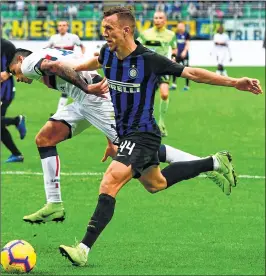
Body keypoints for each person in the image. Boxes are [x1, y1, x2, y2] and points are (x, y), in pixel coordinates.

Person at [56, 6, 261, 267]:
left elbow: (192, 73)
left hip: (143, 134)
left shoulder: (149, 60)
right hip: (126, 134)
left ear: (126, 30)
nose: (104, 32)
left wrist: (234, 82)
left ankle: (83, 248)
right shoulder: (107, 54)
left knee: (109, 182)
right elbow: (85, 64)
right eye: (103, 27)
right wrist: (62, 66)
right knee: (156, 184)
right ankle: (215, 162)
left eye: (109, 28)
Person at [8, 48, 231, 225]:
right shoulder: (44, 51)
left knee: (148, 171)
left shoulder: (28, 64)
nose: (16, 77)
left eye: (13, 71)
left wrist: (86, 89)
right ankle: (54, 204)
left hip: (93, 97)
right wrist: (108, 137)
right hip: (85, 102)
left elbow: (55, 67)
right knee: (44, 139)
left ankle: (210, 163)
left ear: (19, 59)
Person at [137, 11, 177, 137]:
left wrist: (174, 57)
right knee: (147, 97)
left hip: (163, 67)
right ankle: (147, 123)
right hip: (148, 68)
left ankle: (161, 122)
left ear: (165, 20)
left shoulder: (171, 35)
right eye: (155, 18)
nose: (157, 20)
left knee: (164, 94)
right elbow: (136, 46)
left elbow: (174, 48)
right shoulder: (145, 34)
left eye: (160, 18)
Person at [46, 20, 86, 113]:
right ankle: (64, 110)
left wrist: (81, 56)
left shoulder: (73, 37)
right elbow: (46, 49)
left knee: (67, 87)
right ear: (57, 27)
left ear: (67, 27)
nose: (62, 27)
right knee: (67, 87)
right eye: (60, 25)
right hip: (58, 67)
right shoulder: (54, 38)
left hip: (70, 65)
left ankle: (59, 111)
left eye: (64, 25)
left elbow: (82, 47)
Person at [1, 38, 26, 163]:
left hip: (4, 91)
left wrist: (7, 73)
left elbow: (19, 62)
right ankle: (16, 154)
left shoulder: (7, 46)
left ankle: (16, 120)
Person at [170, 21, 190, 91]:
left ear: (183, 26)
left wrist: (184, 51)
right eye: (178, 26)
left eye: (181, 26)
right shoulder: (176, 34)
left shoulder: (187, 34)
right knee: (174, 69)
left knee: (187, 70)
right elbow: (174, 45)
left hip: (185, 55)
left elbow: (187, 44)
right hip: (177, 55)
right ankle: (174, 84)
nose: (179, 27)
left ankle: (187, 86)